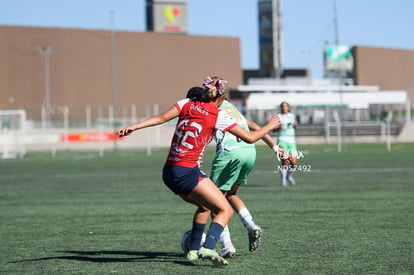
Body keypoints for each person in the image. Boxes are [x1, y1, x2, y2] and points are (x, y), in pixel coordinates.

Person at [117, 78, 280, 267]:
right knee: (225, 210)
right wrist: (269, 126)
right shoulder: (218, 115)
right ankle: (208, 247)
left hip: (169, 171)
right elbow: (250, 138)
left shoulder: (187, 103)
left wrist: (133, 127)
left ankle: (193, 251)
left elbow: (161, 118)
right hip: (188, 172)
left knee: (205, 207)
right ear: (223, 96)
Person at [187, 76, 283, 258]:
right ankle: (251, 225)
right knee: (230, 195)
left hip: (230, 152)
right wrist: (276, 149)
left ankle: (227, 245)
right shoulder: (231, 106)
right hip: (249, 152)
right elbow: (252, 126)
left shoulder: (211, 108)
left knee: (213, 202)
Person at [274, 101, 298, 187]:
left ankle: (288, 176)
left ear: (288, 107)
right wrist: (278, 128)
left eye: (285, 106)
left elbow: (294, 126)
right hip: (282, 140)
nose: (284, 108)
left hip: (291, 141)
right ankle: (283, 181)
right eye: (282, 106)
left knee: (294, 162)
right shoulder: (278, 117)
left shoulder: (292, 116)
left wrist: (295, 125)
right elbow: (273, 130)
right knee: (284, 161)